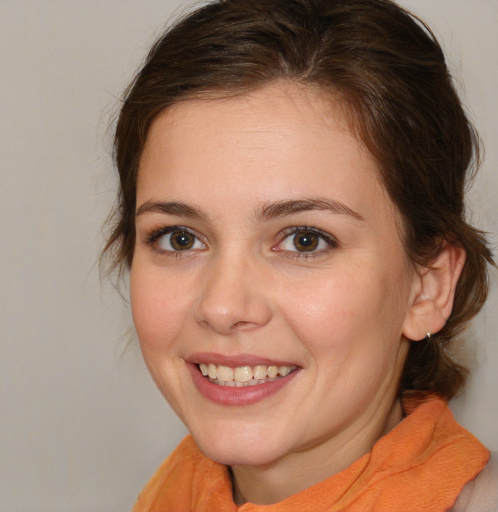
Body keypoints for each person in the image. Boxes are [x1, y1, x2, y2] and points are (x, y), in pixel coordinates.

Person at [102, 0, 497, 510]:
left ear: (428, 286)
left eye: (304, 240)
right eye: (180, 238)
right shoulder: (166, 496)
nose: (222, 307)